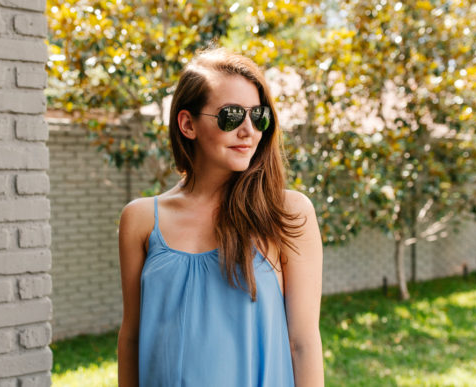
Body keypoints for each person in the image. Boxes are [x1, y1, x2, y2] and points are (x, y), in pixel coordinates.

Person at [117, 47, 324, 387]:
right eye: (231, 115)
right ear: (187, 124)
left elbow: (302, 343)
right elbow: (132, 339)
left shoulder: (286, 212)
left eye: (258, 116)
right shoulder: (141, 219)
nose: (248, 130)